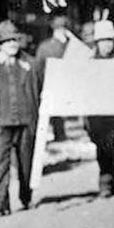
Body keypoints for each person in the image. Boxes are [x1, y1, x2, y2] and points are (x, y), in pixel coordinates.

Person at [85, 19, 114, 198]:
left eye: (110, 40)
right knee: (101, 147)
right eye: (103, 41)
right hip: (96, 114)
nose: (107, 45)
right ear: (97, 42)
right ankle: (106, 178)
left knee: (110, 146)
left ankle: (107, 181)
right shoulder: (88, 61)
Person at [0, 21, 42, 216]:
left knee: (26, 162)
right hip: (2, 123)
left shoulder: (29, 63)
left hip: (25, 120)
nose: (12, 44)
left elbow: (39, 89)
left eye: (14, 40)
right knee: (0, 163)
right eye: (7, 41)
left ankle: (26, 197)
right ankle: (1, 203)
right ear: (0, 44)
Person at [36, 12, 73, 141]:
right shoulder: (51, 47)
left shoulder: (45, 46)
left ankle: (59, 133)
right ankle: (59, 133)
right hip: (55, 84)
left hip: (55, 84)